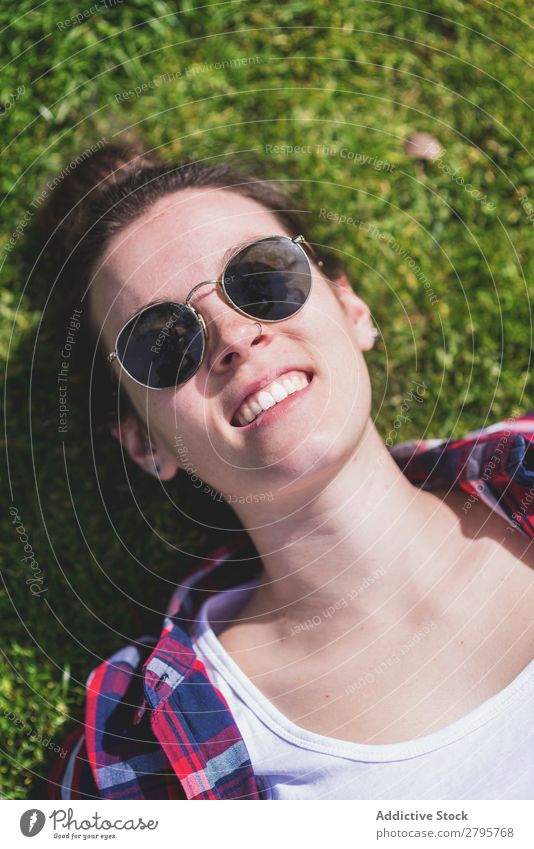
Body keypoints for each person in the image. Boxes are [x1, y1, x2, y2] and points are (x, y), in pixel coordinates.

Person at [39, 140, 534, 801]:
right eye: (161, 342)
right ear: (144, 444)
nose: (234, 334)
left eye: (261, 277)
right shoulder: (141, 760)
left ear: (350, 307)